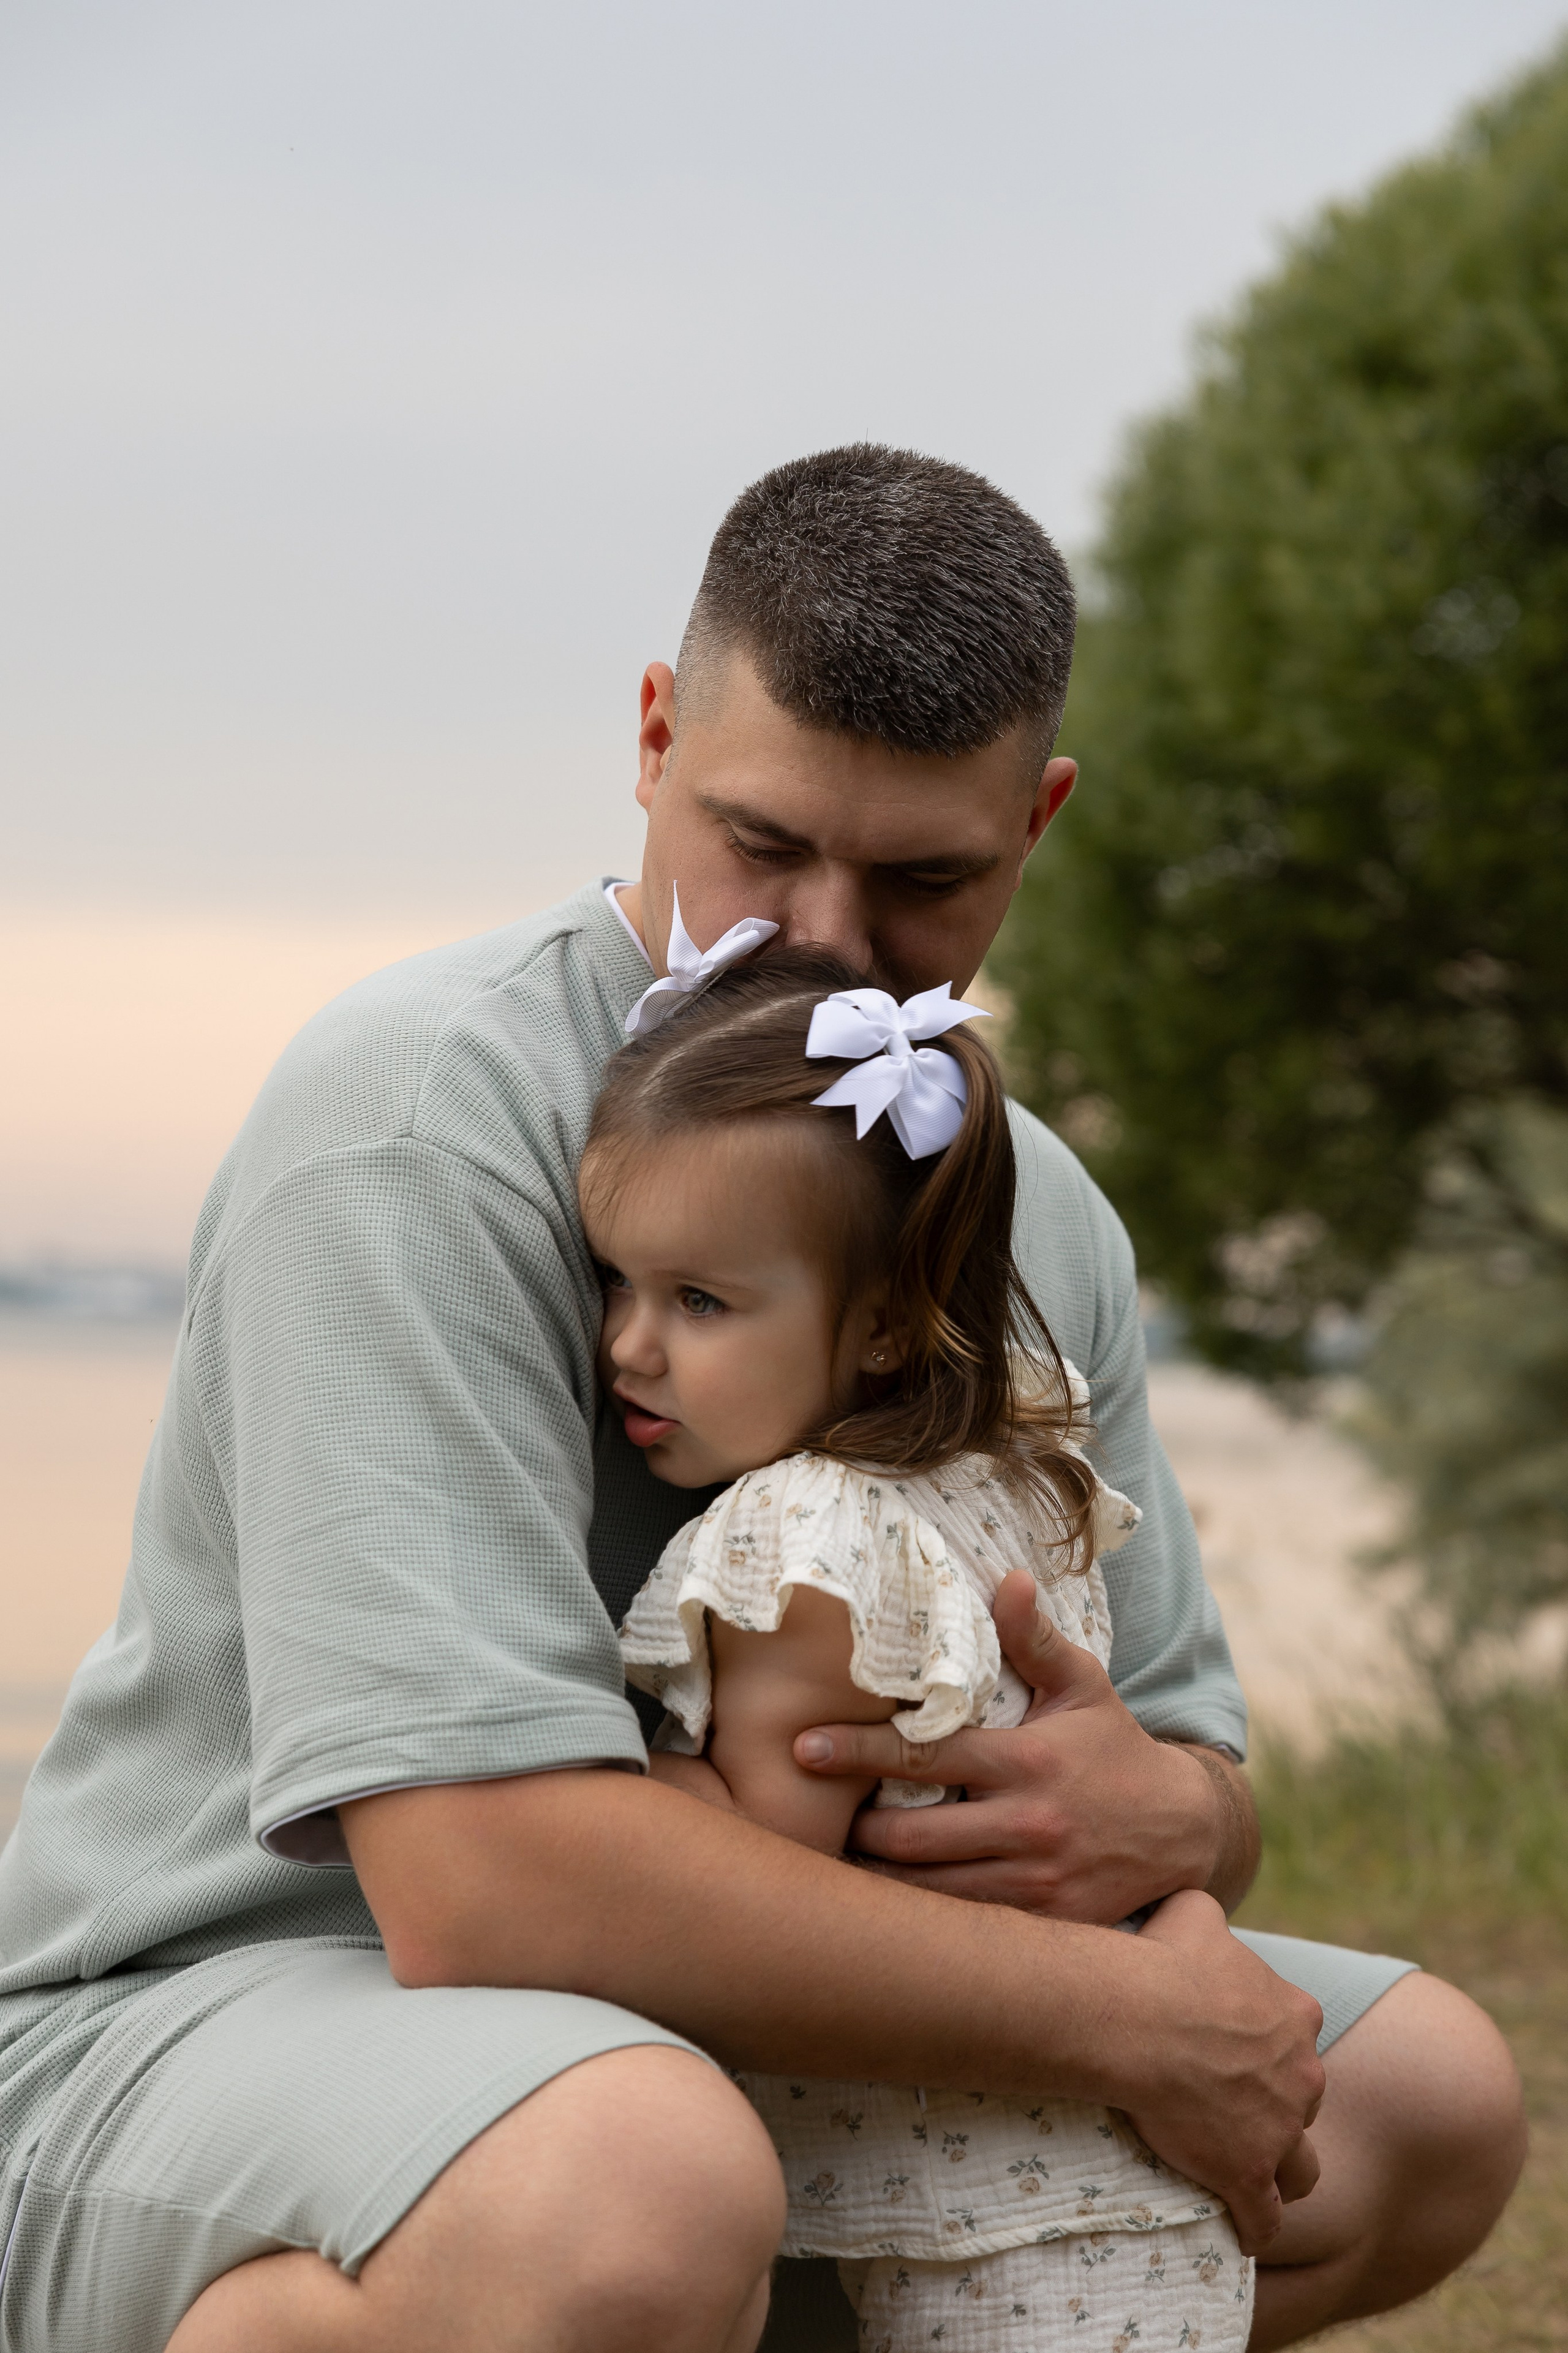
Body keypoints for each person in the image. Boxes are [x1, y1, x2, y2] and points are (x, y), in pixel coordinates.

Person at [0, 447, 1521, 2353]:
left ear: (1036, 823)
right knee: (638, 2188)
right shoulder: (412, 1123)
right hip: (243, 2007)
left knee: (1419, 2099)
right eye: (764, 841)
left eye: (924, 879)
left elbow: (1204, 1783)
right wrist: (1129, 2018)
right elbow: (481, 1892)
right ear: (652, 737)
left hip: (742, 2019)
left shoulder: (1037, 1203)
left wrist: (1145, 1818)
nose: (821, 938)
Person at [597, 948, 1254, 2349]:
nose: (628, 1349)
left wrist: (580, 1780)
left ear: (886, 1321)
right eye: (618, 1285)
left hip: (997, 2238)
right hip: (1126, 2189)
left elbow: (756, 1886)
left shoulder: (812, 1544)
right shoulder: (1006, 1459)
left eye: (698, 1302)